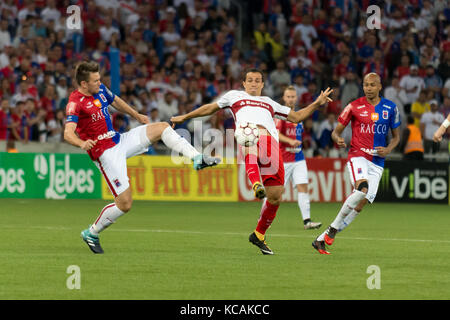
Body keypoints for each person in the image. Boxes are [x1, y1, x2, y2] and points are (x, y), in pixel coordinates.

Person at [171, 68, 333, 255]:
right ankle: (256, 183)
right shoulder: (234, 96)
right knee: (248, 136)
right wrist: (186, 116)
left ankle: (258, 234)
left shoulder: (269, 103)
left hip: (272, 144)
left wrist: (317, 103)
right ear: (244, 83)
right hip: (248, 134)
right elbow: (210, 108)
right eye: (250, 80)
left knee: (276, 196)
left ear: (263, 84)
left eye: (257, 80)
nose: (254, 83)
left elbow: (296, 117)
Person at [64, 61, 220, 254]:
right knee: (125, 204)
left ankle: (197, 158)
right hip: (105, 153)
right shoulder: (75, 102)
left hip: (119, 140)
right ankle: (92, 232)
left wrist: (136, 114)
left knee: (162, 127)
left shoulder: (100, 89)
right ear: (84, 84)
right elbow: (67, 133)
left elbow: (115, 100)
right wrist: (81, 143)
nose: (99, 82)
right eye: (95, 80)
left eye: (99, 79)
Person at [312, 73, 401, 255]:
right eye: (366, 85)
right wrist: (338, 139)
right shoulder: (353, 106)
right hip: (358, 155)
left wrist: (389, 149)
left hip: (378, 161)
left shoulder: (391, 108)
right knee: (362, 189)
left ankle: (321, 239)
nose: (368, 88)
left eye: (372, 85)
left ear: (379, 86)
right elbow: (336, 132)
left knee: (361, 203)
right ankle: (332, 230)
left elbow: (397, 137)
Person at [275, 86, 322, 230]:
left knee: (303, 187)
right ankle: (262, 217)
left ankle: (307, 221)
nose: (290, 99)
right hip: (283, 159)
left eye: (293, 96)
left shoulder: (298, 116)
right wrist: (290, 141)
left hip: (299, 158)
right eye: (288, 96)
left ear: (296, 98)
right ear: (284, 98)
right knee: (276, 193)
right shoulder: (281, 115)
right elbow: (276, 134)